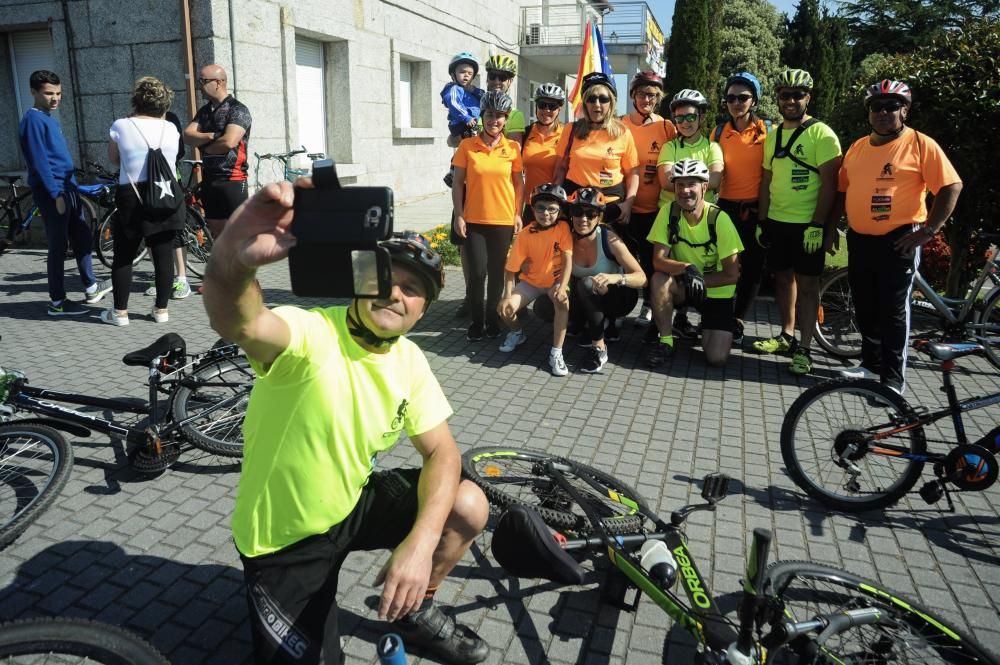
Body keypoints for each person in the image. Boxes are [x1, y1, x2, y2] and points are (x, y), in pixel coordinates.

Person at [202, 180, 491, 665]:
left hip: (349, 505)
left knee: (468, 503)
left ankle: (414, 608)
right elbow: (243, 321)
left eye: (414, 289)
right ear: (360, 276)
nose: (396, 293)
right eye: (385, 276)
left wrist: (420, 546)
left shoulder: (410, 359)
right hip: (284, 541)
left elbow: (442, 451)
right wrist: (235, 256)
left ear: (423, 311)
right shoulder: (314, 333)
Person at [836, 79, 962, 393]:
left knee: (893, 309)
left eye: (891, 105)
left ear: (903, 110)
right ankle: (870, 364)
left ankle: (892, 379)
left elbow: (951, 186)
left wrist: (929, 230)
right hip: (861, 238)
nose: (882, 112)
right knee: (864, 304)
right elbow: (843, 189)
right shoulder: (857, 147)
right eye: (876, 106)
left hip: (899, 238)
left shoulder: (920, 144)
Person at [753, 68, 842, 375]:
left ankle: (805, 348)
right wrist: (762, 220)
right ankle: (786, 336)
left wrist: (821, 225)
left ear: (808, 97)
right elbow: (767, 180)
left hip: (807, 225)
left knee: (807, 287)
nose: (790, 100)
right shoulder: (774, 134)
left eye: (797, 95)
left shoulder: (822, 134)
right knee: (782, 280)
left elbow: (832, 185)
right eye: (784, 95)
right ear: (777, 99)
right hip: (778, 221)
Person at [17, 69, 111, 315]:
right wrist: (55, 194)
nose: (55, 98)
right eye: (48, 93)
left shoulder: (47, 117)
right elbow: (39, 162)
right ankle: (57, 302)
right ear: (33, 92)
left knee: (81, 237)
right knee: (58, 247)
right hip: (55, 193)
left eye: (58, 93)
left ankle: (91, 286)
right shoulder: (33, 120)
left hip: (68, 189)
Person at [103, 76, 187, 326]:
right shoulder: (171, 128)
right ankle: (161, 310)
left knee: (124, 254)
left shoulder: (121, 125)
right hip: (166, 194)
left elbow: (115, 160)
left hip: (131, 195)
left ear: (136, 100)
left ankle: (120, 313)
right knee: (163, 254)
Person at [646, 160, 743, 367]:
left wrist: (700, 279)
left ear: (704, 187)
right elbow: (658, 260)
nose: (685, 191)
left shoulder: (719, 219)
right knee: (659, 280)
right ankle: (666, 341)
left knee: (716, 358)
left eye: (692, 184)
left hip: (717, 291)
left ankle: (713, 325)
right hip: (686, 284)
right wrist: (686, 269)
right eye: (680, 185)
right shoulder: (668, 212)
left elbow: (732, 274)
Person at [540, 187, 645, 374]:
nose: (583, 219)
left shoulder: (609, 239)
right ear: (571, 215)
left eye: (591, 214)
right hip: (588, 297)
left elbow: (642, 278)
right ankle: (587, 322)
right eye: (577, 212)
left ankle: (599, 348)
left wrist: (614, 278)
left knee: (587, 283)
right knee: (545, 305)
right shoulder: (567, 238)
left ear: (600, 217)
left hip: (618, 298)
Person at [450, 53, 522, 320]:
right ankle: (472, 301)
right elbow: (452, 138)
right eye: (492, 75)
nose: (497, 81)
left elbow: (516, 168)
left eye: (502, 77)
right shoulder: (472, 99)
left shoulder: (514, 116)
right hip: (471, 191)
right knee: (469, 256)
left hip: (499, 200)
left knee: (496, 267)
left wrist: (517, 212)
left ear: (510, 81)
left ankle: (494, 309)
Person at [654, 88, 724, 343]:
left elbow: (716, 180)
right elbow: (664, 181)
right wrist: (697, 177)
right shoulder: (670, 146)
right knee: (669, 268)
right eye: (679, 118)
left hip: (703, 216)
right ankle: (670, 321)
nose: (685, 123)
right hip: (671, 215)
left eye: (690, 117)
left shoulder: (712, 147)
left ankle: (710, 317)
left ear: (701, 117)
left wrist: (680, 175)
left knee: (704, 264)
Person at [711, 72, 771, 345]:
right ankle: (720, 314)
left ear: (754, 100)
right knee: (725, 264)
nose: (736, 102)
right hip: (726, 207)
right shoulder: (719, 131)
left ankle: (738, 319)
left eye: (743, 97)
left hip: (756, 208)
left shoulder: (766, 131)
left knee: (752, 268)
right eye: (731, 98)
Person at [497, 183, 573, 376]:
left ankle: (556, 353)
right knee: (504, 309)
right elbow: (510, 269)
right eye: (540, 208)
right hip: (531, 283)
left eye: (552, 209)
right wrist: (507, 295)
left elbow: (568, 259)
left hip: (554, 282)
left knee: (562, 302)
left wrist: (562, 287)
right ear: (533, 209)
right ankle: (517, 333)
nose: (545, 213)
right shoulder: (524, 235)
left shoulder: (563, 228)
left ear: (560, 211)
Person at [620, 70, 676, 324]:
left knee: (653, 262)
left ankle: (649, 305)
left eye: (652, 95)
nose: (647, 99)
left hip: (656, 209)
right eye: (642, 94)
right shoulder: (620, 124)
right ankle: (618, 307)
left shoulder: (666, 126)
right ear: (633, 95)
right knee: (622, 262)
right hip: (625, 207)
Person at [553, 72, 639, 220]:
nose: (597, 104)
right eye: (591, 99)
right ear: (585, 103)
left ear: (611, 103)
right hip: (576, 202)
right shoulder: (571, 129)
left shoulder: (623, 132)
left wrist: (628, 204)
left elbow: (633, 173)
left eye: (603, 99)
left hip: (610, 205)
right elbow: (561, 168)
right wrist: (556, 199)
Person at [183, 64, 251, 237]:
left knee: (238, 236)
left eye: (203, 81)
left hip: (232, 180)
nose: (199, 86)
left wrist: (204, 146)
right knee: (217, 235)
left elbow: (228, 142)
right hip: (210, 180)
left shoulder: (238, 109)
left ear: (219, 82)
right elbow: (187, 135)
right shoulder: (205, 111)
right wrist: (212, 137)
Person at [144, 110, 192, 300]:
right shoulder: (136, 120)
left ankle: (181, 277)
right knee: (150, 230)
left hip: (170, 180)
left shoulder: (170, 118)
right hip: (146, 182)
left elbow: (180, 150)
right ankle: (161, 275)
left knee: (176, 230)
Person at [520, 83, 566, 219]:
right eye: (542, 105)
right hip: (531, 205)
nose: (546, 110)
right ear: (536, 106)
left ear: (559, 109)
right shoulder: (526, 133)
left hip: (555, 206)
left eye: (552, 106)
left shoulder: (566, 135)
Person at [441, 52, 483, 139]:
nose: (466, 75)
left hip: (473, 122)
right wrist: (466, 117)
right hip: (462, 124)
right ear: (453, 75)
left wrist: (474, 90)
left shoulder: (470, 90)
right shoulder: (454, 89)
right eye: (462, 72)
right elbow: (454, 103)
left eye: (470, 73)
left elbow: (485, 98)